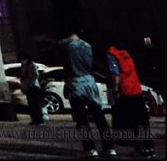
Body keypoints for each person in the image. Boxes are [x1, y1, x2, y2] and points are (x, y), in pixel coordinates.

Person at [59, 26, 114, 157]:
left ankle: (90, 148)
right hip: (90, 82)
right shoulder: (87, 46)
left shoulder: (65, 45)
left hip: (75, 83)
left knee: (82, 119)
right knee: (99, 116)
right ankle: (109, 147)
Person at [107, 38, 154, 157]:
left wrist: (116, 90)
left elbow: (115, 73)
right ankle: (149, 147)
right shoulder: (125, 53)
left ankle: (139, 147)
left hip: (126, 90)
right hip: (136, 88)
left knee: (132, 121)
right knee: (142, 121)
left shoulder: (111, 53)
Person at [19, 51, 45, 125]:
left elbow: (36, 75)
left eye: (23, 59)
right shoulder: (24, 66)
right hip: (28, 87)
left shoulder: (32, 65)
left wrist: (29, 80)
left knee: (36, 104)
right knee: (31, 104)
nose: (22, 61)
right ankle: (34, 119)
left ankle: (39, 120)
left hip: (34, 86)